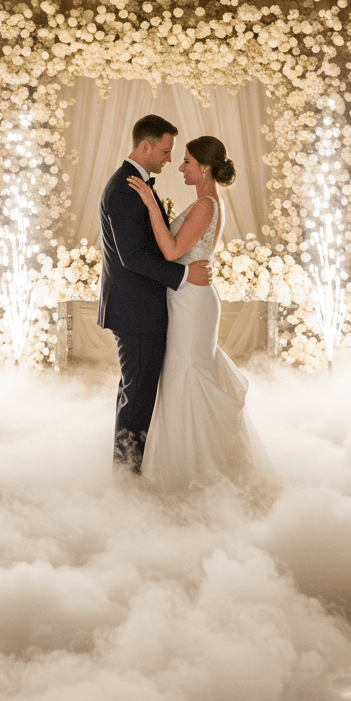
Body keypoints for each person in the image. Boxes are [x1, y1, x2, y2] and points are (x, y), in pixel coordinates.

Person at [127, 135, 277, 493]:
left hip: (193, 302)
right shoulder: (204, 203)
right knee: (181, 375)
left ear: (204, 168)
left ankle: (198, 472)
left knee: (187, 375)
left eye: (187, 162)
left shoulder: (207, 205)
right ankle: (187, 465)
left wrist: (149, 202)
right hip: (187, 296)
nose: (180, 167)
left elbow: (172, 250)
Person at [98, 114, 212, 473]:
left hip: (141, 308)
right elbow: (132, 257)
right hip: (137, 311)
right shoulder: (123, 189)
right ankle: (126, 478)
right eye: (165, 151)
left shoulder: (134, 183)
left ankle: (127, 471)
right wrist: (183, 274)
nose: (168, 160)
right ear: (144, 146)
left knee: (135, 392)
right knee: (138, 396)